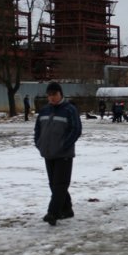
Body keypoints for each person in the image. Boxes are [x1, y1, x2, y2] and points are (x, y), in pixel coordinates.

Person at [34, 82, 82, 226]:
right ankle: (67, 209)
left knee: (60, 184)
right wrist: (39, 143)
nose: (52, 97)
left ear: (60, 94)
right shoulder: (44, 110)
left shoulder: (69, 110)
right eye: (49, 95)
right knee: (54, 184)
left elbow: (76, 130)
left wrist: (63, 145)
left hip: (64, 154)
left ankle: (53, 213)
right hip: (48, 153)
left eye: (54, 94)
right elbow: (38, 129)